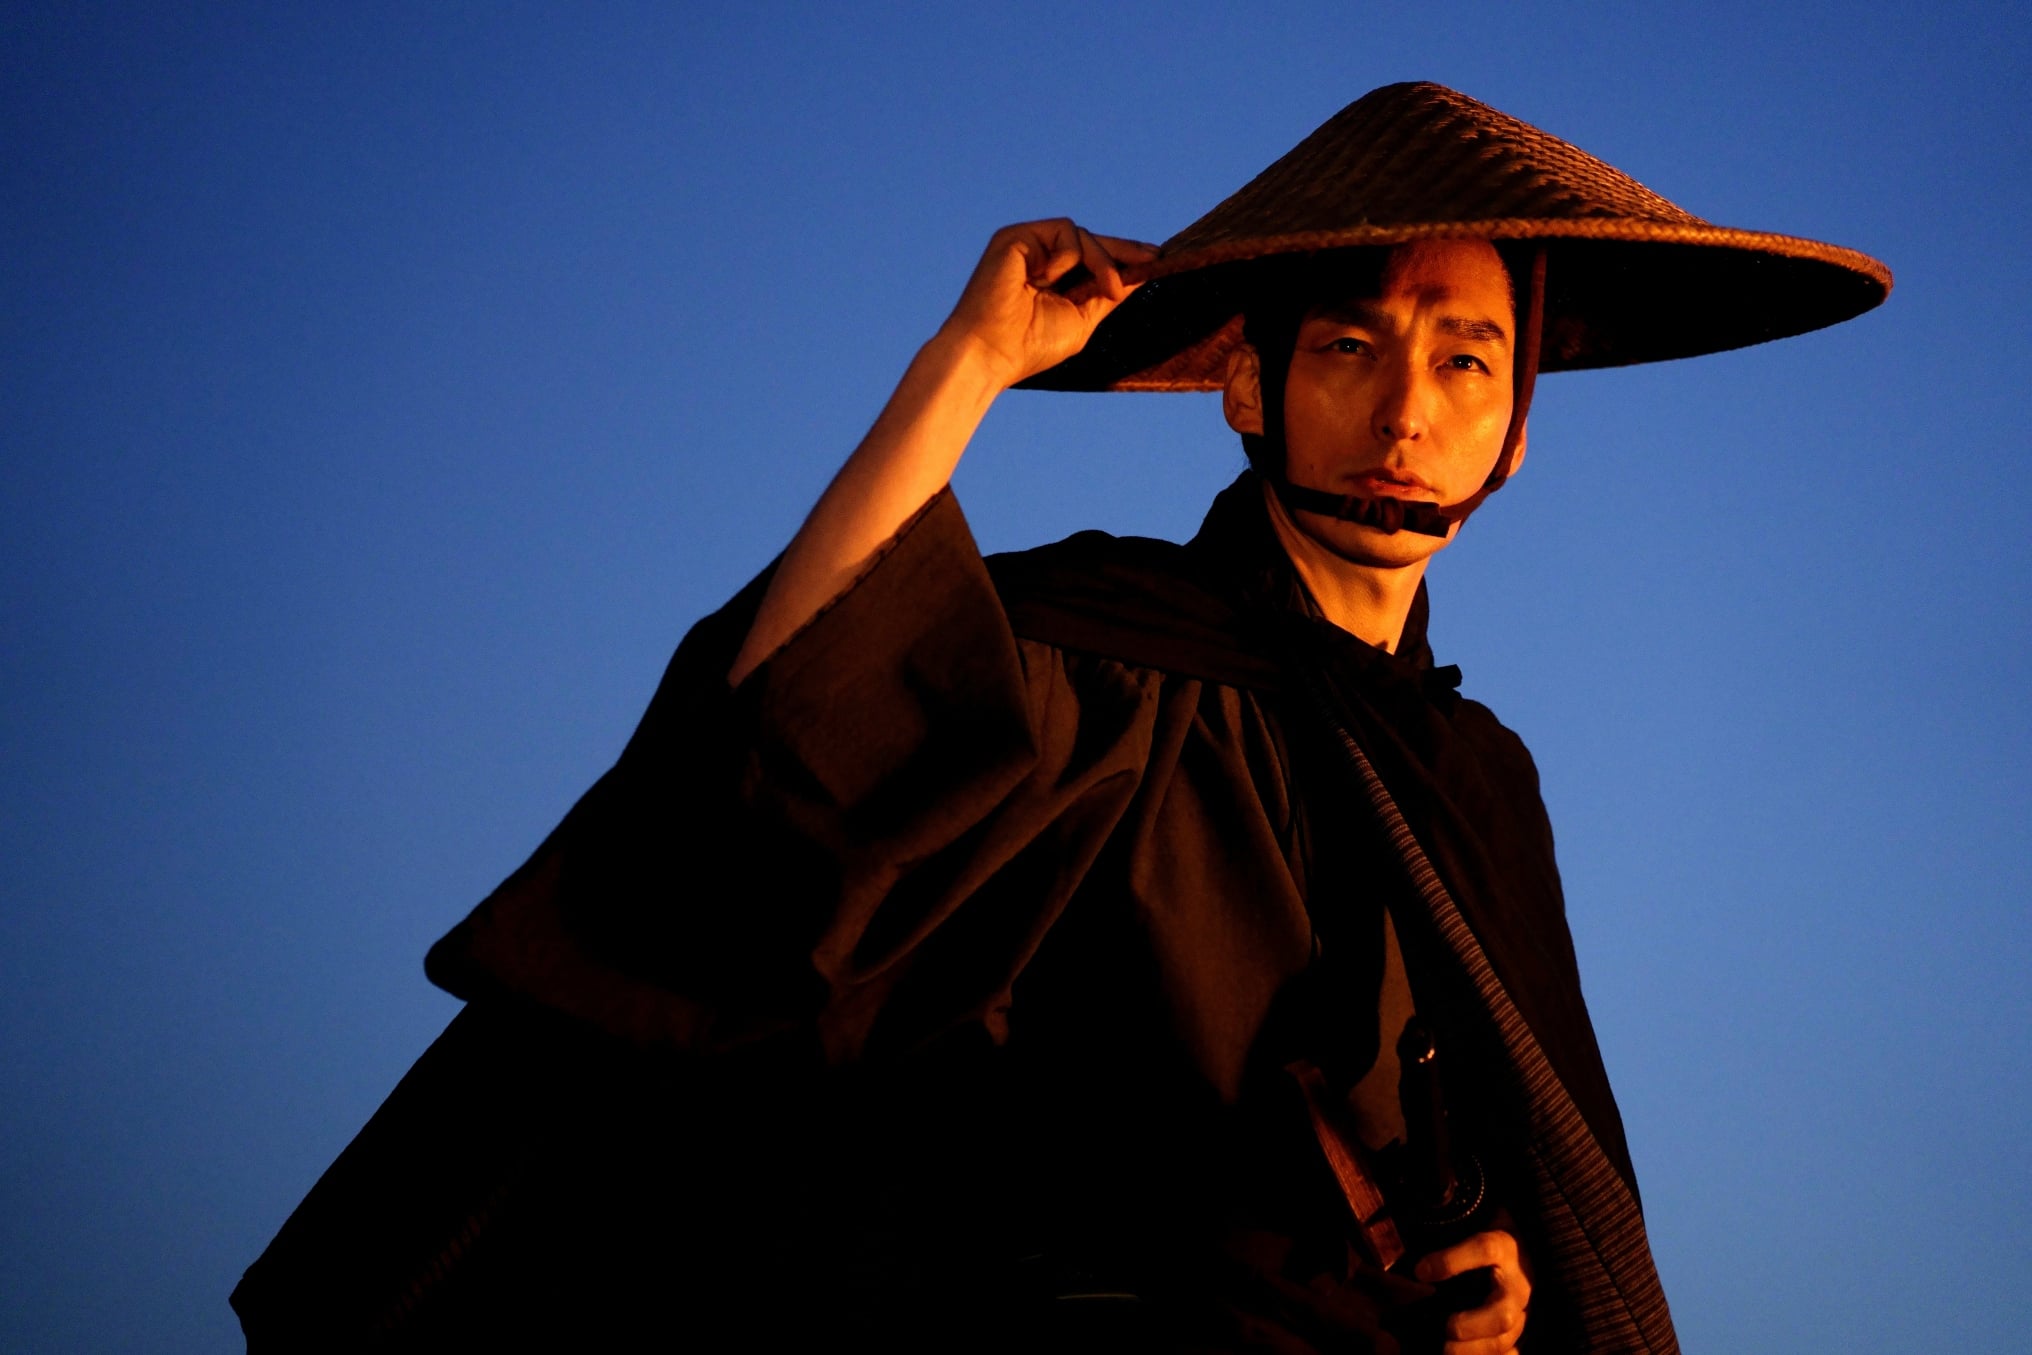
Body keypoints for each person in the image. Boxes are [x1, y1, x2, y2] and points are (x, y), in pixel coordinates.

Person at [233, 83, 1889, 1354]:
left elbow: (1515, 1172)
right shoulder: (1105, 665)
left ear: (1519, 425)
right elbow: (779, 748)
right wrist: (966, 366)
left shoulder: (1477, 780)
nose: (1404, 411)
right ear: (1247, 386)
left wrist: (1496, 1288)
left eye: (1466, 363)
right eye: (1348, 344)